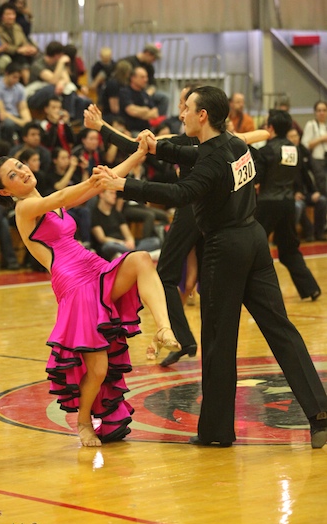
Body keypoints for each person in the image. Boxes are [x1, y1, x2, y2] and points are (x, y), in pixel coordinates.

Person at [94, 85, 327, 449]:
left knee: (218, 340)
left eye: (186, 108)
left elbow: (178, 195)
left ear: (202, 115)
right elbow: (178, 150)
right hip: (255, 241)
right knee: (281, 329)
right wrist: (149, 144)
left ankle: (216, 432)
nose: (181, 113)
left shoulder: (212, 160)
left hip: (225, 248)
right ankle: (320, 413)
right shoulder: (234, 144)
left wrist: (123, 183)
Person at [0, 152, 180, 446]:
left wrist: (139, 154)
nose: (22, 172)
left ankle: (164, 328)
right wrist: (92, 179)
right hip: (74, 285)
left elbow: (104, 183)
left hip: (94, 267)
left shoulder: (51, 204)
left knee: (141, 259)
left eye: (20, 166)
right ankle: (82, 422)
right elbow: (65, 194)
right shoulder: (26, 209)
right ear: (5, 191)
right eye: (12, 175)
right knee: (98, 369)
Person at [254, 109, 321, 301]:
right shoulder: (295, 150)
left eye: (267, 125)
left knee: (251, 247)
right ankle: (310, 288)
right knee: (289, 249)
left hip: (267, 204)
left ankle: (243, 292)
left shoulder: (266, 151)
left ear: (271, 128)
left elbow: (257, 179)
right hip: (288, 203)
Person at [91, 188, 160, 261]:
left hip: (124, 247)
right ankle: (141, 255)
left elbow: (127, 234)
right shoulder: (95, 214)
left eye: (115, 194)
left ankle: (129, 256)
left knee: (155, 241)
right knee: (108, 246)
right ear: (101, 194)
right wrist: (122, 243)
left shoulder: (117, 213)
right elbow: (102, 238)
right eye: (111, 193)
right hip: (113, 245)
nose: (115, 196)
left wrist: (130, 241)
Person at [288, 127, 327, 242]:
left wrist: (315, 191)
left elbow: (309, 174)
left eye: (296, 136)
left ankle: (318, 232)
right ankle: (297, 235)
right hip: (291, 194)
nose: (295, 138)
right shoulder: (286, 153)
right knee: (298, 205)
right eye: (292, 136)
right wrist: (293, 193)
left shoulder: (303, 151)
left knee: (322, 200)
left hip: (306, 191)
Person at [120, 43, 169, 117]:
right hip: (130, 90)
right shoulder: (128, 62)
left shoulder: (150, 67)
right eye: (153, 58)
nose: (153, 61)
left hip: (144, 92)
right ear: (147, 53)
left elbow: (152, 84)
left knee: (164, 98)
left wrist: (148, 93)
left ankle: (159, 121)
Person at [0, 61, 32, 144]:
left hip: (15, 117)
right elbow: (2, 113)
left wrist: (28, 121)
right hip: (2, 120)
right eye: (14, 77)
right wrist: (21, 122)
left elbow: (23, 108)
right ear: (6, 74)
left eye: (18, 78)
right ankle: (9, 146)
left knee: (33, 125)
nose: (16, 80)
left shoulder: (20, 88)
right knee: (9, 124)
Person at [119, 66, 160, 134]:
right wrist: (146, 110)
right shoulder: (125, 92)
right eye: (142, 77)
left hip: (146, 130)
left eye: (146, 77)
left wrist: (139, 113)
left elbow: (155, 114)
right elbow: (131, 111)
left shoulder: (144, 94)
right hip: (130, 130)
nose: (146, 80)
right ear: (133, 78)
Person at [301, 100, 327, 196]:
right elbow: (305, 144)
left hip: (325, 157)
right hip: (317, 159)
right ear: (315, 112)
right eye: (319, 110)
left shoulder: (325, 126)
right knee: (321, 184)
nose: (322, 113)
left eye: (324, 110)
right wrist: (321, 139)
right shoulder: (311, 125)